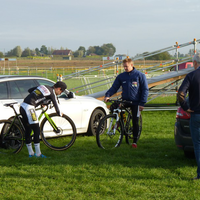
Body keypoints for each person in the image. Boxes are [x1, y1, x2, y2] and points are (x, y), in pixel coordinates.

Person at [104, 58, 149, 148]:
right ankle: (119, 123)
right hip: (125, 100)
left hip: (136, 102)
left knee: (135, 121)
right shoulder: (121, 76)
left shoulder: (140, 75)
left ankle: (135, 141)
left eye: (126, 66)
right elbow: (114, 87)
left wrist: (142, 103)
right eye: (123, 66)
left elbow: (145, 90)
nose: (125, 68)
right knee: (114, 107)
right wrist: (108, 95)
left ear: (131, 65)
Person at [20, 81, 67, 158]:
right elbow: (56, 105)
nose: (60, 93)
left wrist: (40, 100)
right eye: (61, 91)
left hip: (23, 106)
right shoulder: (52, 93)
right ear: (58, 89)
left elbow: (30, 90)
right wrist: (59, 114)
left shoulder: (44, 86)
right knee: (36, 130)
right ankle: (38, 154)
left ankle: (31, 153)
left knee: (28, 130)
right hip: (29, 108)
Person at [177, 52, 200, 180]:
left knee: (197, 145)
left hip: (196, 114)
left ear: (195, 63)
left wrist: (186, 107)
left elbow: (181, 94)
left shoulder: (191, 76)